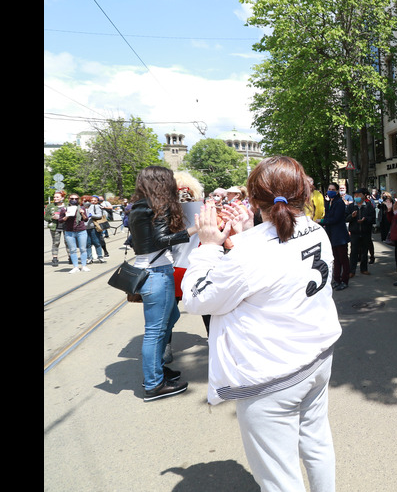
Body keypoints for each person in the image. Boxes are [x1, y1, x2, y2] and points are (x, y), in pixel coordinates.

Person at [180, 156, 342, 492]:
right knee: (316, 441)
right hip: (318, 358)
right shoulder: (317, 231)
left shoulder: (250, 251)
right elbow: (273, 264)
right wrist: (243, 237)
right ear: (304, 193)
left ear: (254, 201)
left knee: (280, 478)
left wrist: (209, 247)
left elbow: (196, 298)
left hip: (272, 375)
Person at [127, 166, 201, 402]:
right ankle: (153, 384)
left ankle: (157, 371)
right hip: (157, 273)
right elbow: (161, 240)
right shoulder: (159, 206)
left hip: (148, 270)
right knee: (155, 332)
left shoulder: (139, 205)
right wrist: (194, 230)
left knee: (170, 319)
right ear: (162, 182)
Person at [320, 183, 351, 291]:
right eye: (329, 189)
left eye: (333, 189)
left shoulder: (339, 203)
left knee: (343, 259)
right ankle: (336, 279)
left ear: (337, 191)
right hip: (332, 235)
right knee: (336, 259)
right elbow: (328, 215)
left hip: (340, 235)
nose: (330, 191)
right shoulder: (330, 202)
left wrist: (322, 221)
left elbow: (335, 219)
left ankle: (344, 280)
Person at [59, 192, 90, 273]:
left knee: (83, 249)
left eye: (76, 199)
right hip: (69, 232)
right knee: (72, 250)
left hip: (81, 231)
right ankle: (75, 267)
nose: (74, 200)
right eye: (72, 199)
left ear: (78, 200)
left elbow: (86, 219)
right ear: (69, 199)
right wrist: (67, 215)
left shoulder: (81, 208)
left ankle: (84, 266)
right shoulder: (64, 209)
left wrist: (82, 213)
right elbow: (60, 220)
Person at [348, 188, 375, 277]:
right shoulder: (351, 206)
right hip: (355, 232)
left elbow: (373, 219)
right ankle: (352, 270)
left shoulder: (368, 205)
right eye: (355, 195)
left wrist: (365, 219)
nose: (356, 196)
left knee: (364, 251)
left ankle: (364, 269)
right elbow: (345, 218)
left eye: (359, 195)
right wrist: (351, 216)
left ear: (364, 196)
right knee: (354, 252)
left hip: (365, 232)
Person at [45, 191, 67, 267]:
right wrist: (52, 217)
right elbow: (46, 217)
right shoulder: (50, 206)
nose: (55, 198)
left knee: (68, 242)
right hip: (55, 227)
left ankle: (70, 256)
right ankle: (55, 258)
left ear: (62, 198)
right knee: (56, 242)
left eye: (57, 197)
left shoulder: (67, 205)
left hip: (66, 226)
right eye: (54, 197)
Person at [85, 195, 110, 262]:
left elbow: (99, 216)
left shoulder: (97, 207)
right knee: (88, 243)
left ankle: (100, 256)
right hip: (86, 227)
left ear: (97, 201)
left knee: (96, 242)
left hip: (94, 227)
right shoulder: (86, 207)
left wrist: (92, 215)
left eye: (95, 201)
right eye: (92, 200)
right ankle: (89, 258)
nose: (93, 202)